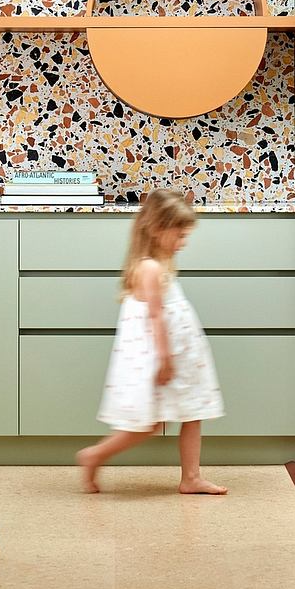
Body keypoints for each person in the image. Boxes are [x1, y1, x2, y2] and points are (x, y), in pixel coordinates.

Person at [78, 188, 227, 496]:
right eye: (180, 234)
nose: (183, 242)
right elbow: (155, 318)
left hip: (181, 355)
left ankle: (191, 477)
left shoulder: (160, 265)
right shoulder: (149, 268)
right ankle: (94, 455)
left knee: (192, 412)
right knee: (146, 424)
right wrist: (165, 358)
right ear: (158, 229)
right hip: (163, 357)